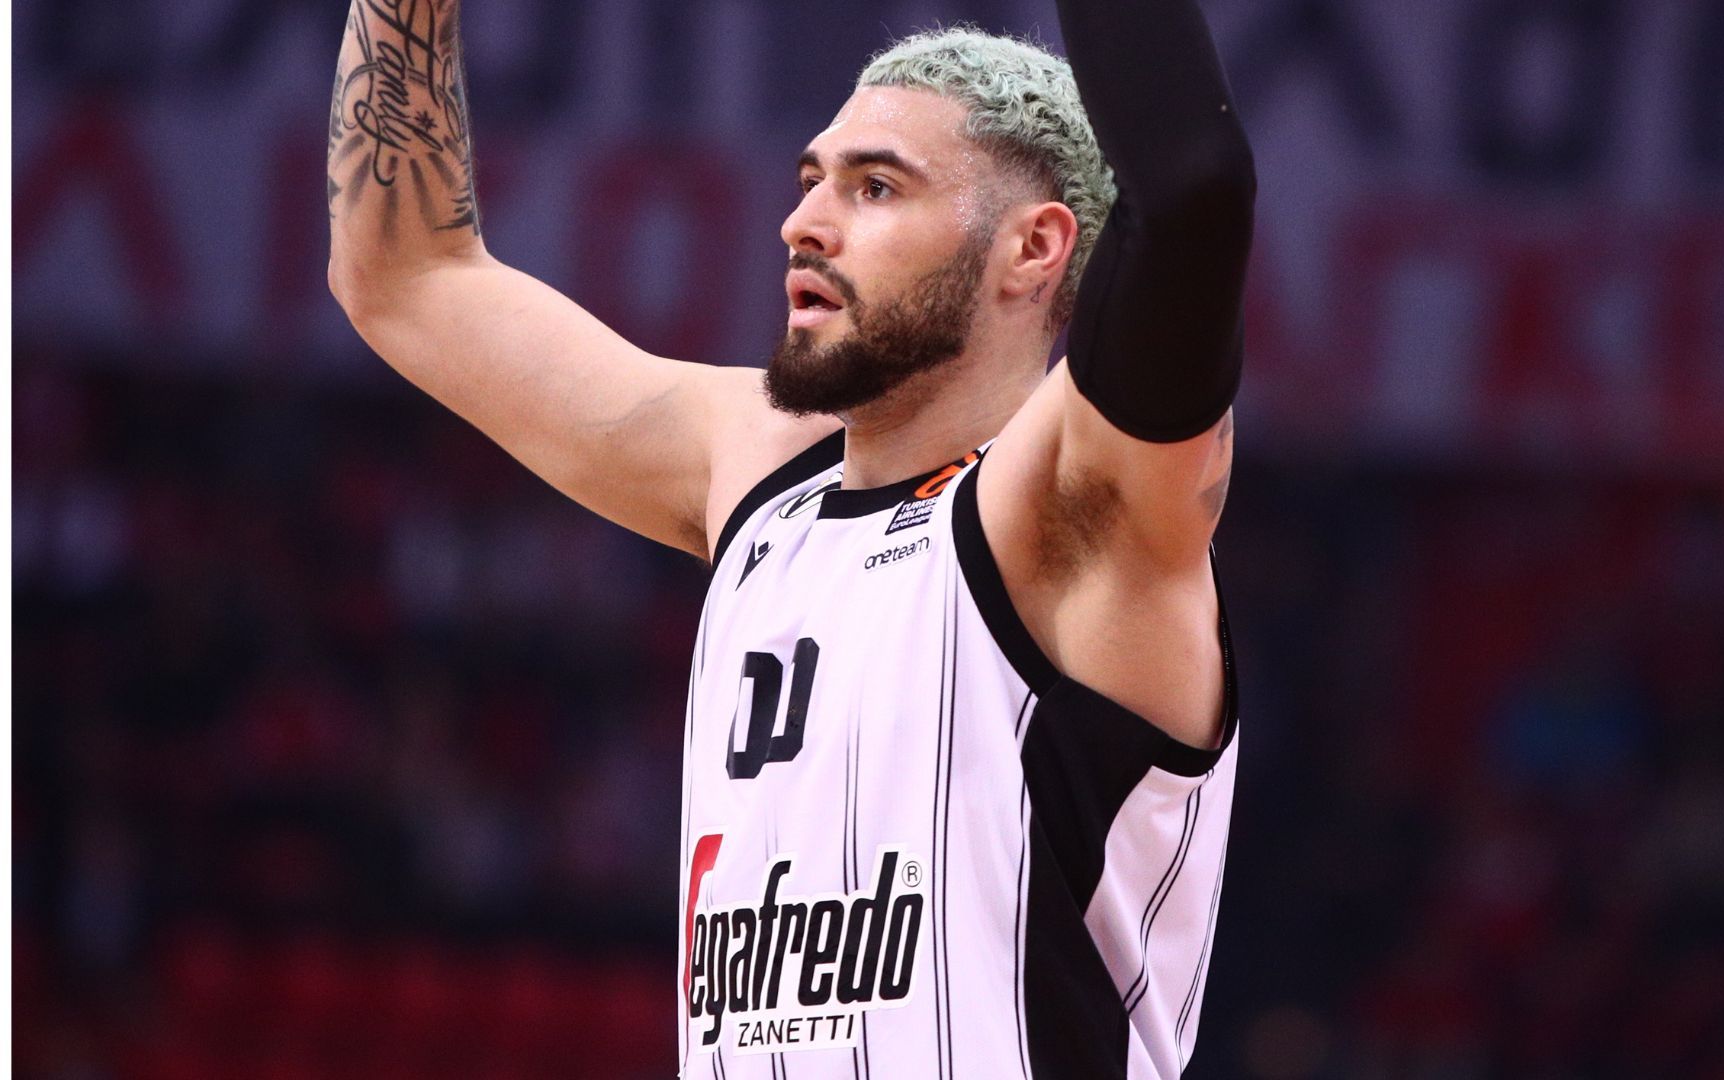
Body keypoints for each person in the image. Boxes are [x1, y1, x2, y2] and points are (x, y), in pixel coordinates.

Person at [327, 0, 1254, 1074]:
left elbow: (1190, 194)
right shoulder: (758, 476)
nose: (803, 222)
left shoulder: (1074, 512)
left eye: (876, 186)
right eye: (811, 179)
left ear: (1032, 248)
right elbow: (406, 277)